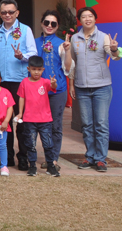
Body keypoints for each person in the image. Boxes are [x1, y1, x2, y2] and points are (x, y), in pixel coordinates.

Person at [65, 6, 121, 173]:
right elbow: (72, 64)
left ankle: (101, 159)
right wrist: (71, 84)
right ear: (80, 20)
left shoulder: (104, 37)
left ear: (95, 19)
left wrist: (113, 48)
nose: (87, 19)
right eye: (84, 16)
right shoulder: (75, 38)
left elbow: (115, 57)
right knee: (87, 124)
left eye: (90, 16)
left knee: (101, 124)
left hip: (102, 87)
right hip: (81, 88)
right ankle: (90, 156)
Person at [0, 0, 36, 171]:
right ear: (0, 13)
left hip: (20, 81)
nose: (7, 15)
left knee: (21, 120)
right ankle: (6, 157)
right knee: (4, 121)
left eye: (11, 12)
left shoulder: (25, 30)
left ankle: (23, 157)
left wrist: (21, 56)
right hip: (1, 84)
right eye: (3, 12)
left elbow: (33, 54)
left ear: (17, 13)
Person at [35, 9, 73, 171]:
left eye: (53, 24)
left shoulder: (62, 44)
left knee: (55, 126)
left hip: (57, 91)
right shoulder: (34, 42)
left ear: (57, 27)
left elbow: (68, 68)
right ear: (42, 23)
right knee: (38, 125)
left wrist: (68, 50)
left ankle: (53, 159)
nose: (49, 26)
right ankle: (38, 155)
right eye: (47, 22)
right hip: (37, 90)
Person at [15, 56, 59, 177]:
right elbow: (21, 98)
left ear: (43, 70)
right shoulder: (24, 82)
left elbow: (53, 87)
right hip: (29, 120)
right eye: (33, 69)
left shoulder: (45, 82)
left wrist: (54, 84)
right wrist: (20, 113)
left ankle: (51, 166)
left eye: (39, 69)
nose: (36, 72)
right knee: (30, 144)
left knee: (48, 144)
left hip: (45, 120)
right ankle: (32, 166)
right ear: (28, 69)